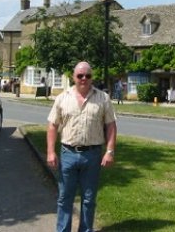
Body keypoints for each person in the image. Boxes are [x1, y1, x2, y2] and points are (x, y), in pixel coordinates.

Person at [47, 61, 117, 232]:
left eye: (88, 75)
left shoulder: (103, 98)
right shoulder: (62, 98)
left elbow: (111, 126)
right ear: (74, 77)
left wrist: (109, 151)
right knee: (65, 198)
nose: (84, 78)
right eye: (80, 75)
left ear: (92, 77)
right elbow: (52, 125)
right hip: (68, 154)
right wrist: (50, 152)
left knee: (89, 199)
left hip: (92, 155)